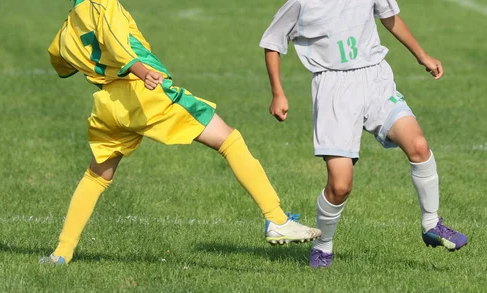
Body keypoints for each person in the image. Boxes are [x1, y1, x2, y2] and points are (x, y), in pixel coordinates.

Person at [39, 0, 321, 265]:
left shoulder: (69, 26)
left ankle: (62, 252)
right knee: (229, 140)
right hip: (143, 93)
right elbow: (116, 43)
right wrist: (140, 71)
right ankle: (277, 220)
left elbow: (58, 58)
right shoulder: (104, 4)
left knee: (96, 176)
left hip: (107, 103)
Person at [259, 0, 467, 268]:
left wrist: (422, 55)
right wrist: (278, 93)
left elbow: (389, 17)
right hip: (334, 89)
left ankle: (432, 223)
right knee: (340, 186)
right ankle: (323, 246)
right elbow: (272, 43)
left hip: (375, 79)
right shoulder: (302, 3)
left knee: (418, 145)